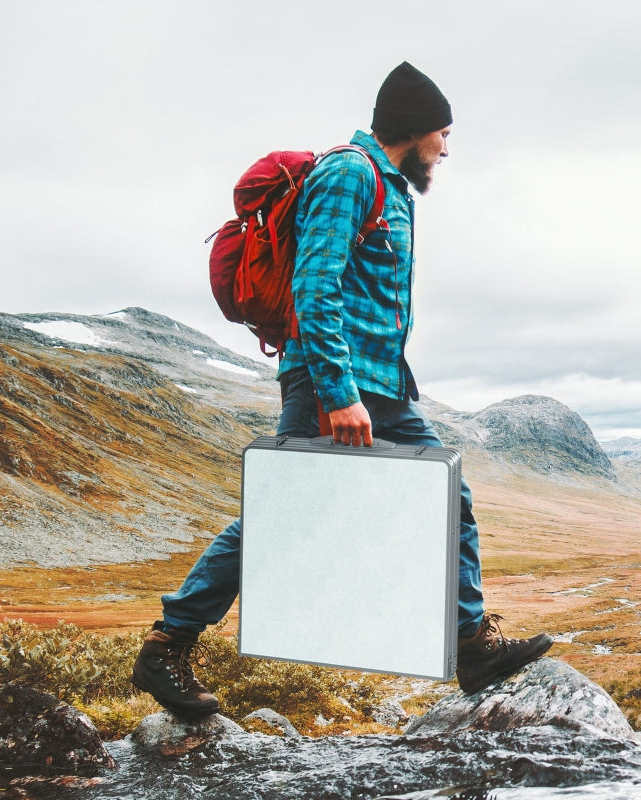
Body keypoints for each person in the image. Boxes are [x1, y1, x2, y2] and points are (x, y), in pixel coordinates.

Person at [132, 61, 553, 717]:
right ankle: (167, 646)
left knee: (449, 496)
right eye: (443, 132)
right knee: (283, 515)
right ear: (413, 130)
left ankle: (470, 647)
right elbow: (313, 286)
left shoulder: (389, 188)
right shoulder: (349, 174)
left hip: (381, 386)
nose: (447, 146)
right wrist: (337, 392)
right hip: (335, 381)